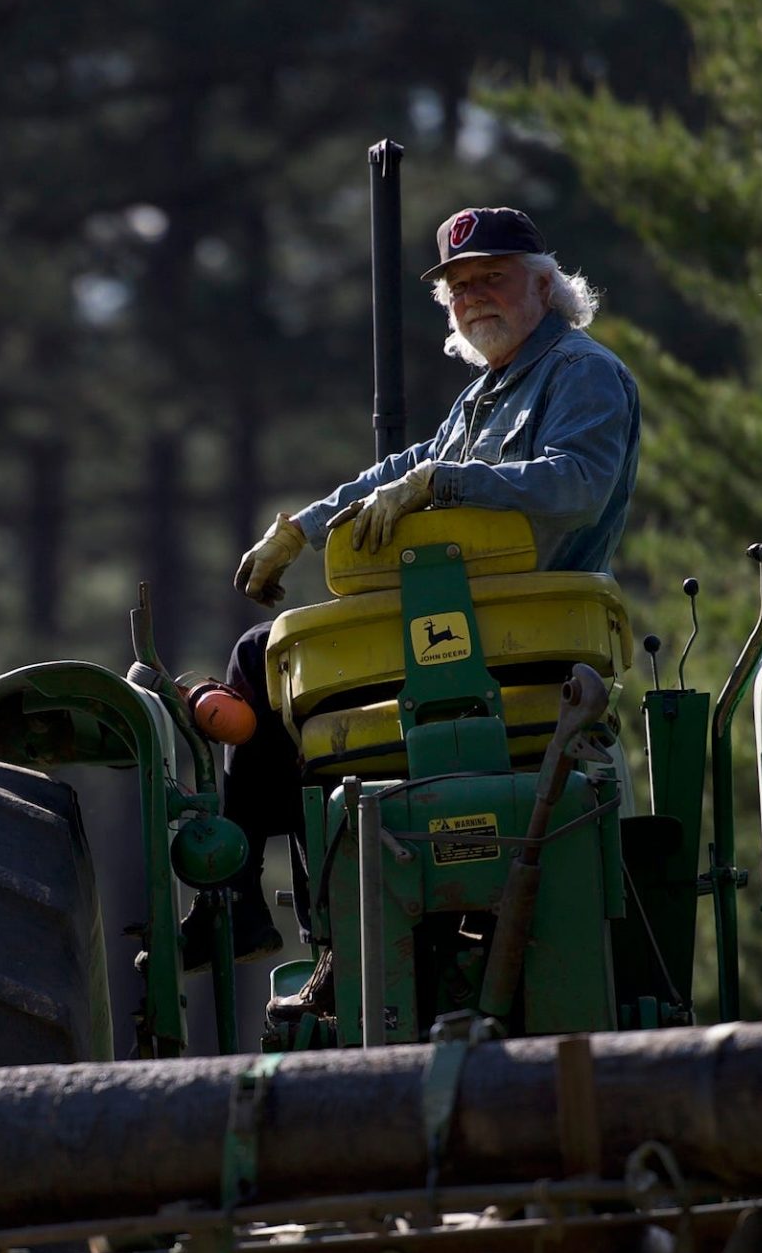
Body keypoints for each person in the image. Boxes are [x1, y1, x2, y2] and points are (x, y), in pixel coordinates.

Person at [181, 205, 643, 971]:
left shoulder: (581, 372)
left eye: (492, 278)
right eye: (458, 287)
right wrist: (301, 527)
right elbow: (398, 471)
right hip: (466, 631)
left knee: (266, 662)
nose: (473, 298)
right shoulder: (484, 396)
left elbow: (579, 486)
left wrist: (448, 483)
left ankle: (238, 902)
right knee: (275, 670)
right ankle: (306, 914)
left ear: (544, 286)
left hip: (528, 643)